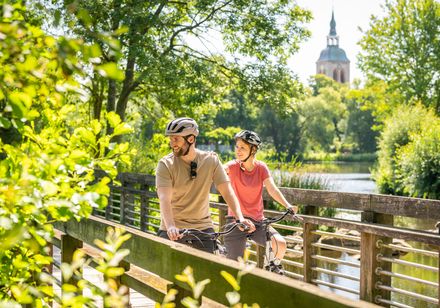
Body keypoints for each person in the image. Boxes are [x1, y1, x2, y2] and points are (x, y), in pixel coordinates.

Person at [155, 117, 255, 253]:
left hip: (203, 228)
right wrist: (171, 226)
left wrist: (240, 218)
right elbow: (164, 198)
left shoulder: (211, 160)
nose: (172, 144)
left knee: (210, 269)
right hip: (173, 229)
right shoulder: (166, 164)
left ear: (190, 139)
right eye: (171, 139)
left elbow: (227, 191)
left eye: (176, 139)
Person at [223, 130, 299, 273]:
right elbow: (220, 169)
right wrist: (213, 163)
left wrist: (287, 205)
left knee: (280, 244)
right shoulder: (232, 166)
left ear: (253, 150)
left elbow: (272, 189)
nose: (238, 151)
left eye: (242, 148)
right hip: (236, 222)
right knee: (234, 267)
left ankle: (270, 271)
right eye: (237, 147)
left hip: (258, 222)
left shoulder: (261, 168)